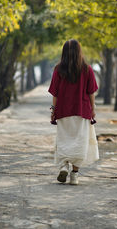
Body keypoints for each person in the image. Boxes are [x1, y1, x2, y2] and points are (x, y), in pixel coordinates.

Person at [48, 39, 99, 185]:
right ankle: (74, 175)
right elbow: (91, 92)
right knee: (79, 143)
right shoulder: (87, 69)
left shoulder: (58, 69)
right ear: (79, 52)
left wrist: (53, 110)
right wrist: (93, 109)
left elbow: (55, 93)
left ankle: (64, 166)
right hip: (81, 111)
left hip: (63, 111)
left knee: (64, 140)